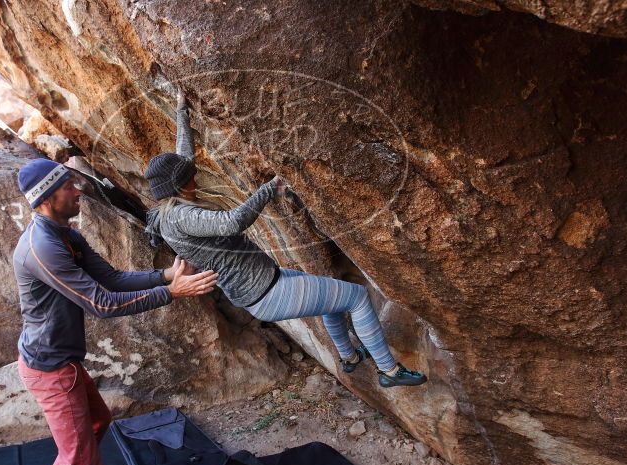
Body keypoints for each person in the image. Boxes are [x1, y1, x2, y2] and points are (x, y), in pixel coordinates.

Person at [145, 90, 426, 389]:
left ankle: (349, 357)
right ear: (178, 185)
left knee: (331, 300)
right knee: (356, 298)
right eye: (189, 176)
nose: (195, 177)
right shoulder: (179, 216)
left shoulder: (169, 204)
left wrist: (180, 109)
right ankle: (389, 371)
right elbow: (232, 223)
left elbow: (184, 156)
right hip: (268, 292)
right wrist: (271, 187)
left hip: (264, 286)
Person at [12, 158, 218, 465]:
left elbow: (111, 279)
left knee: (96, 422)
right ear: (46, 197)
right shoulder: (42, 247)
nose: (79, 192)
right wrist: (171, 292)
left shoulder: (65, 235)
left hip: (62, 365)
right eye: (69, 187)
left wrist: (166, 274)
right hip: (52, 370)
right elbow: (101, 304)